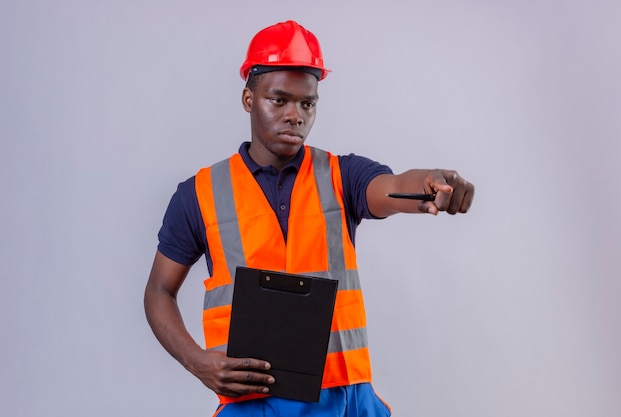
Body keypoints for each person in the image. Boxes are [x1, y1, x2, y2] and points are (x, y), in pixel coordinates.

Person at [144, 20, 474, 417]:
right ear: (249, 99)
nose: (295, 115)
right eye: (278, 100)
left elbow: (392, 188)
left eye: (307, 103)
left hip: (347, 402)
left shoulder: (343, 176)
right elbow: (159, 292)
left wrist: (428, 186)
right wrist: (197, 362)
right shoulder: (198, 194)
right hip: (253, 405)